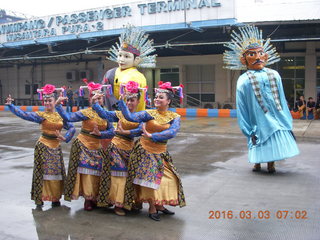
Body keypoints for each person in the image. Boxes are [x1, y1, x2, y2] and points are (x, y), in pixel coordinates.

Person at [223, 25, 299, 173]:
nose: (257, 57)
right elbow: (242, 105)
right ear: (243, 59)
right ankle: (257, 163)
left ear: (266, 56)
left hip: (276, 117)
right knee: (257, 139)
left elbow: (281, 99)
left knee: (273, 142)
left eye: (260, 53)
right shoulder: (243, 80)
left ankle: (271, 164)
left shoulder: (274, 74)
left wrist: (285, 119)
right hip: (256, 118)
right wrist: (246, 127)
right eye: (251, 54)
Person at [117, 81, 186, 221]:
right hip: (144, 151)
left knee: (170, 178)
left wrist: (152, 135)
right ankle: (152, 207)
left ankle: (160, 205)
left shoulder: (175, 117)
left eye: (161, 97)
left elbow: (172, 132)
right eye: (156, 97)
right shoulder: (148, 113)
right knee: (149, 180)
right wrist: (121, 101)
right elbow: (130, 117)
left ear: (168, 101)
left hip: (161, 151)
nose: (156, 99)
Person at [5, 84, 75, 207]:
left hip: (56, 147)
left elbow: (72, 127)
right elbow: (24, 115)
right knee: (43, 173)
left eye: (50, 100)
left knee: (56, 173)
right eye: (45, 101)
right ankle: (40, 197)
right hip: (43, 146)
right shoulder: (41, 115)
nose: (47, 103)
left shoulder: (60, 115)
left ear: (55, 101)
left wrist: (65, 137)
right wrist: (11, 106)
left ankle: (55, 197)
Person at [55, 81, 115, 211]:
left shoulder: (106, 114)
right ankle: (88, 199)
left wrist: (101, 134)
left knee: (99, 174)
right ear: (90, 99)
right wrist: (59, 105)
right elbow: (68, 117)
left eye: (99, 98)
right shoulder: (85, 112)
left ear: (103, 99)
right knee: (87, 173)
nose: (97, 100)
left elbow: (112, 131)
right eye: (94, 97)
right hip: (83, 145)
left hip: (98, 147)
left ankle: (97, 198)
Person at [91, 81, 145, 216]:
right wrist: (95, 103)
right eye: (127, 100)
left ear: (138, 101)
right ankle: (117, 204)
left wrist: (125, 132)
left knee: (129, 177)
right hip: (116, 147)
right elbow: (104, 114)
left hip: (130, 150)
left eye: (132, 100)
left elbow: (139, 131)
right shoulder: (118, 114)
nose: (129, 103)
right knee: (118, 176)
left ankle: (129, 202)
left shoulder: (141, 116)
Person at [107, 24, 156, 111]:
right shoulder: (110, 73)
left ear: (136, 60)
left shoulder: (139, 76)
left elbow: (143, 97)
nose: (121, 59)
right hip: (117, 113)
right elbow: (107, 94)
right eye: (120, 55)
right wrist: (117, 106)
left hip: (135, 113)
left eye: (126, 57)